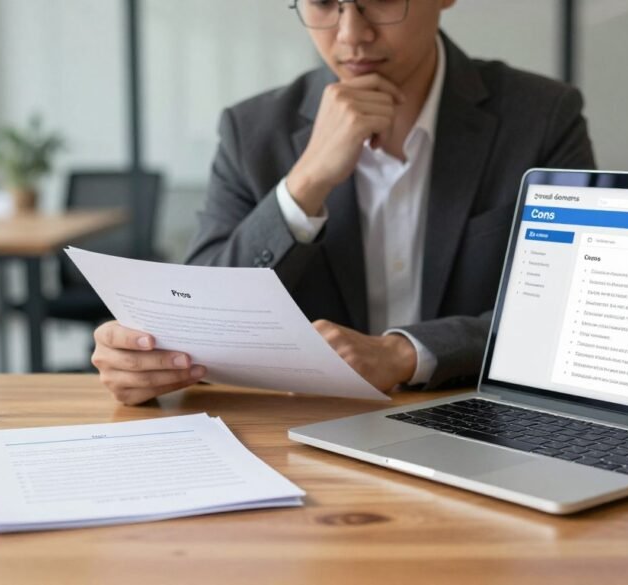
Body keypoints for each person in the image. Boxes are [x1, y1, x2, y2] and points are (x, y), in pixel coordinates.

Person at [92, 0, 596, 405]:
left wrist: (403, 354)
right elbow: (200, 312)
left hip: (480, 422)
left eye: (379, 0)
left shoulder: (543, 117)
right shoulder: (252, 131)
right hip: (306, 434)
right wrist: (305, 183)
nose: (351, 33)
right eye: (324, 3)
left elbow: (568, 309)